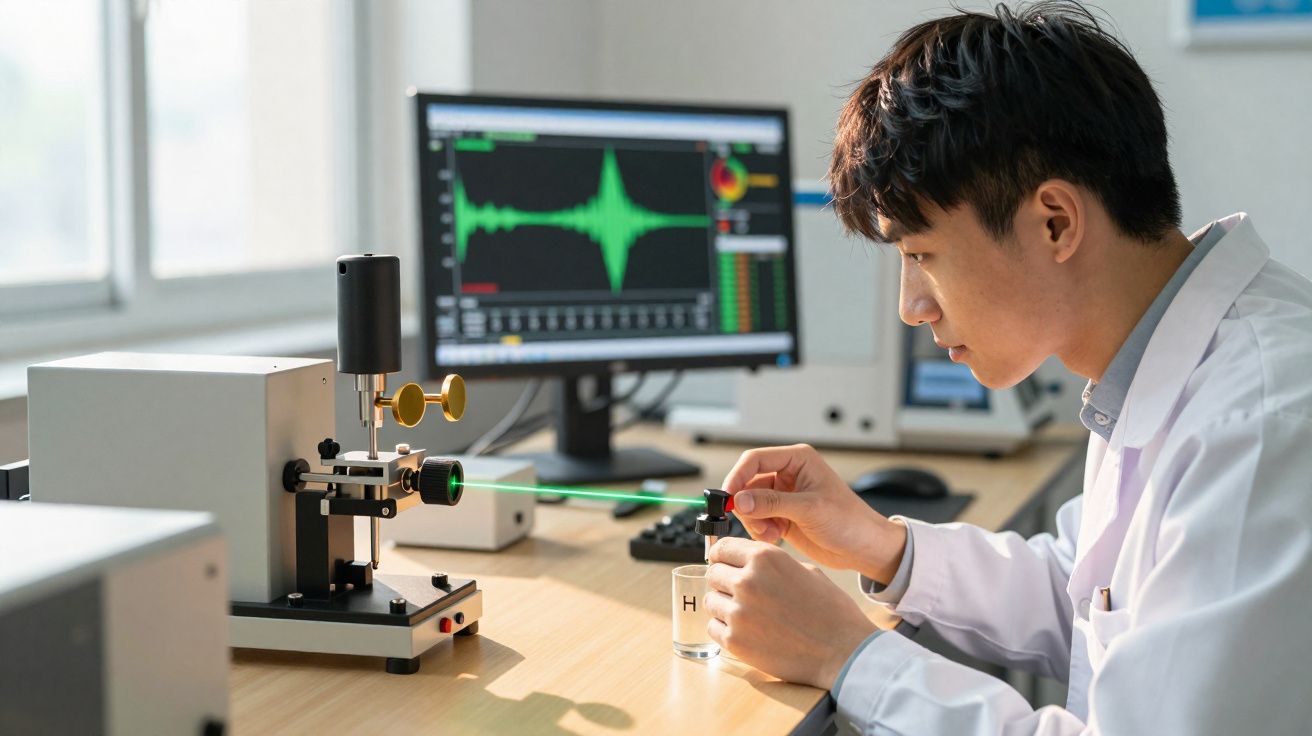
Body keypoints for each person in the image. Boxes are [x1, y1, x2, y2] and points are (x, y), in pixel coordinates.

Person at [703, 2, 1312, 733]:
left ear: (1055, 221)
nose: (912, 306)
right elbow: (1090, 593)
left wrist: (847, 655)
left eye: (921, 254)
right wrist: (879, 543)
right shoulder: (1163, 355)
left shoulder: (1261, 428)